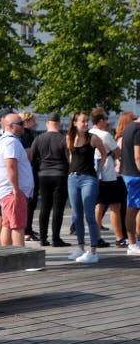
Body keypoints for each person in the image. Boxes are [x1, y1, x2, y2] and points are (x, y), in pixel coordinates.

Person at [66, 111, 107, 263]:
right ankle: (80, 247)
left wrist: (98, 172)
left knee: (89, 214)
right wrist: (71, 171)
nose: (85, 124)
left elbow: (104, 154)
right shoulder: (69, 137)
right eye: (82, 121)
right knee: (76, 215)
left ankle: (93, 251)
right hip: (73, 178)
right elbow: (71, 156)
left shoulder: (93, 138)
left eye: (86, 121)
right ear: (75, 122)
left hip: (88, 179)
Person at [0, 113, 34, 246]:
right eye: (20, 124)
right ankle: (20, 258)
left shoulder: (4, 140)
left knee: (7, 224)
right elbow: (10, 165)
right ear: (11, 126)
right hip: (13, 191)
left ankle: (7, 256)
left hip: (7, 191)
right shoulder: (11, 142)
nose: (23, 126)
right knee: (17, 226)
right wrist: (16, 189)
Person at [30, 112, 70, 247]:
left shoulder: (39, 139)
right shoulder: (63, 139)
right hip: (60, 175)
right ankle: (56, 238)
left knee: (45, 208)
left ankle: (42, 238)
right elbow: (68, 159)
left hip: (44, 175)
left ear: (47, 123)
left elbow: (33, 158)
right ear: (58, 123)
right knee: (58, 209)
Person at [90, 108, 122, 248]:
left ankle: (97, 236)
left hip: (95, 173)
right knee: (115, 206)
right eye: (106, 119)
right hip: (108, 174)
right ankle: (119, 237)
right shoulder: (105, 135)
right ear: (101, 120)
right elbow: (117, 152)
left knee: (99, 205)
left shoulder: (89, 133)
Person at [0, 108, 15, 242]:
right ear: (1, 120)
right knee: (3, 217)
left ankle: (6, 242)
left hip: (9, 182)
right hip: (4, 182)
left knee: (8, 218)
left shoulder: (14, 136)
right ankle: (2, 243)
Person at [118, 112, 140, 255]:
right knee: (132, 208)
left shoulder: (129, 126)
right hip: (135, 174)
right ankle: (132, 244)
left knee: (136, 208)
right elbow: (138, 156)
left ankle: (134, 242)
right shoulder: (138, 129)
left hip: (129, 173)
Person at [114, 111, 135, 246]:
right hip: (122, 175)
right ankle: (124, 234)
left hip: (124, 174)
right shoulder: (122, 138)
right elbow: (119, 157)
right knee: (123, 206)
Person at [19, 111, 40, 242]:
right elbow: (29, 154)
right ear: (26, 122)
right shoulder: (26, 136)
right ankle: (27, 230)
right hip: (30, 172)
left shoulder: (26, 135)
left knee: (30, 203)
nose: (35, 123)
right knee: (30, 203)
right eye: (33, 120)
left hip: (29, 171)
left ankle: (28, 227)